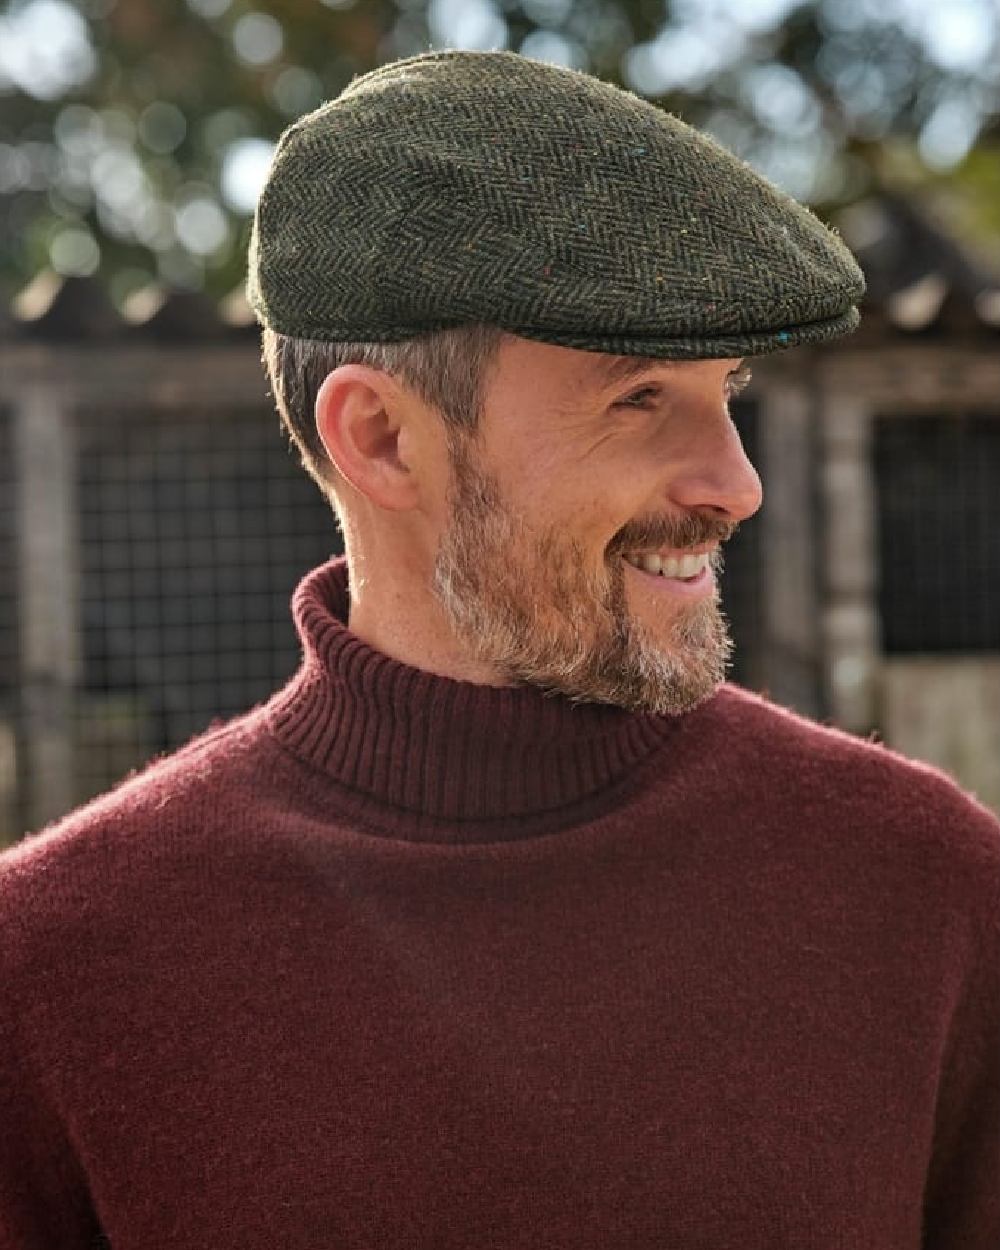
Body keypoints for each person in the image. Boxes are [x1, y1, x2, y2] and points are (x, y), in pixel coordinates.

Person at [1, 49, 997, 1250]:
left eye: (726, 388)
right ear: (379, 436)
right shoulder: (55, 970)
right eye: (639, 400)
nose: (737, 484)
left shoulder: (929, 890)